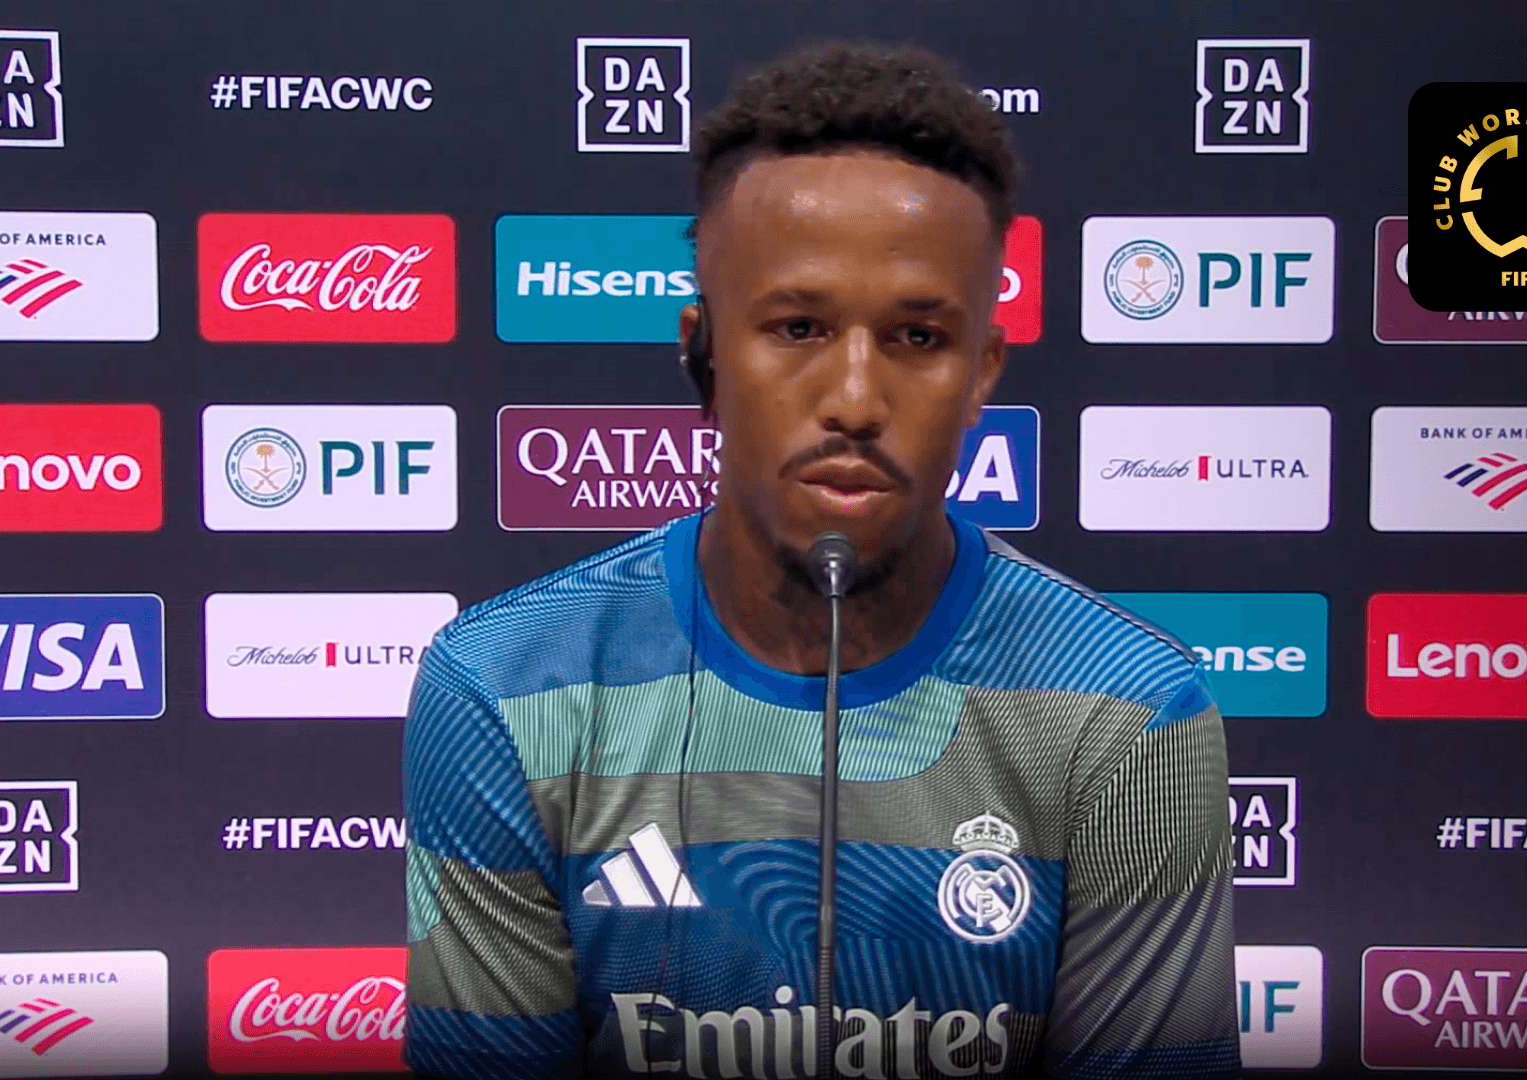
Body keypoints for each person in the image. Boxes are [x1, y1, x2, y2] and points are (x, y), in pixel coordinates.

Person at [404, 39, 1240, 1079]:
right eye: (798, 327)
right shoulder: (501, 688)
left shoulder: (1128, 713)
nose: (854, 399)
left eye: (918, 339)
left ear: (983, 371)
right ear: (705, 353)